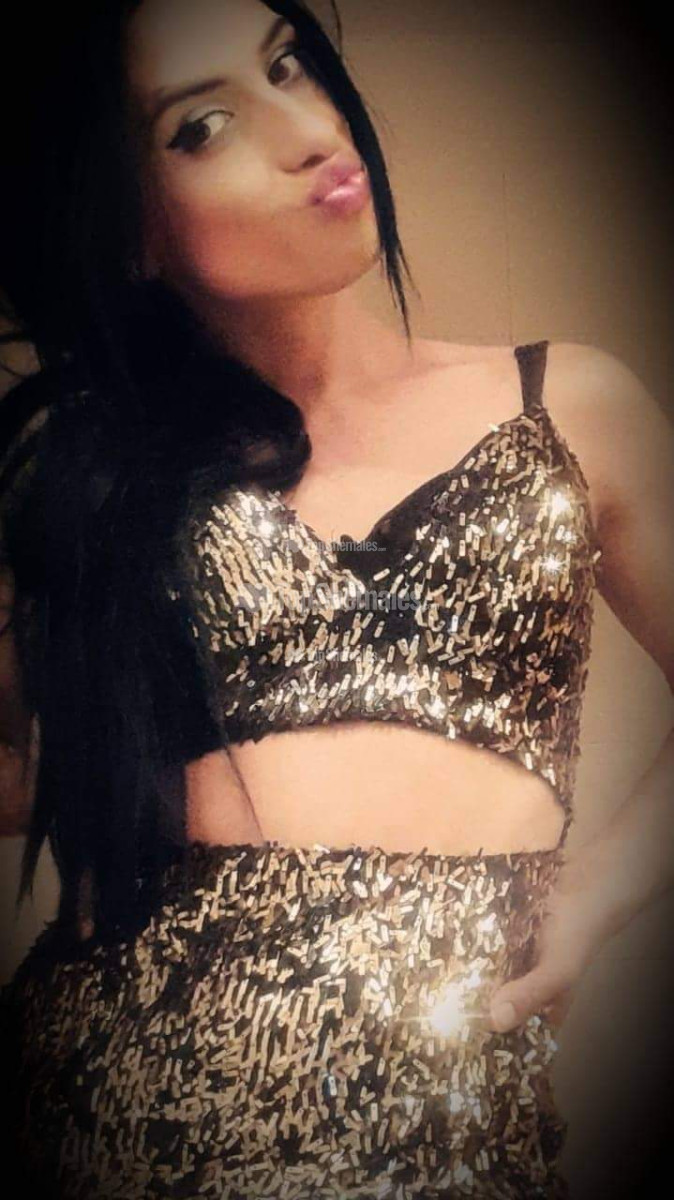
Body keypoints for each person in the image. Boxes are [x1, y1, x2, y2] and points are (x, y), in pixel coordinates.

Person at [1, 1, 673, 1197]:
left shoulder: (569, 403)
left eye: (287, 64)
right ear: (126, 228)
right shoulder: (90, 472)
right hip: (113, 1100)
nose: (307, 131)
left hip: (443, 1126)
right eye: (200, 125)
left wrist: (592, 897)